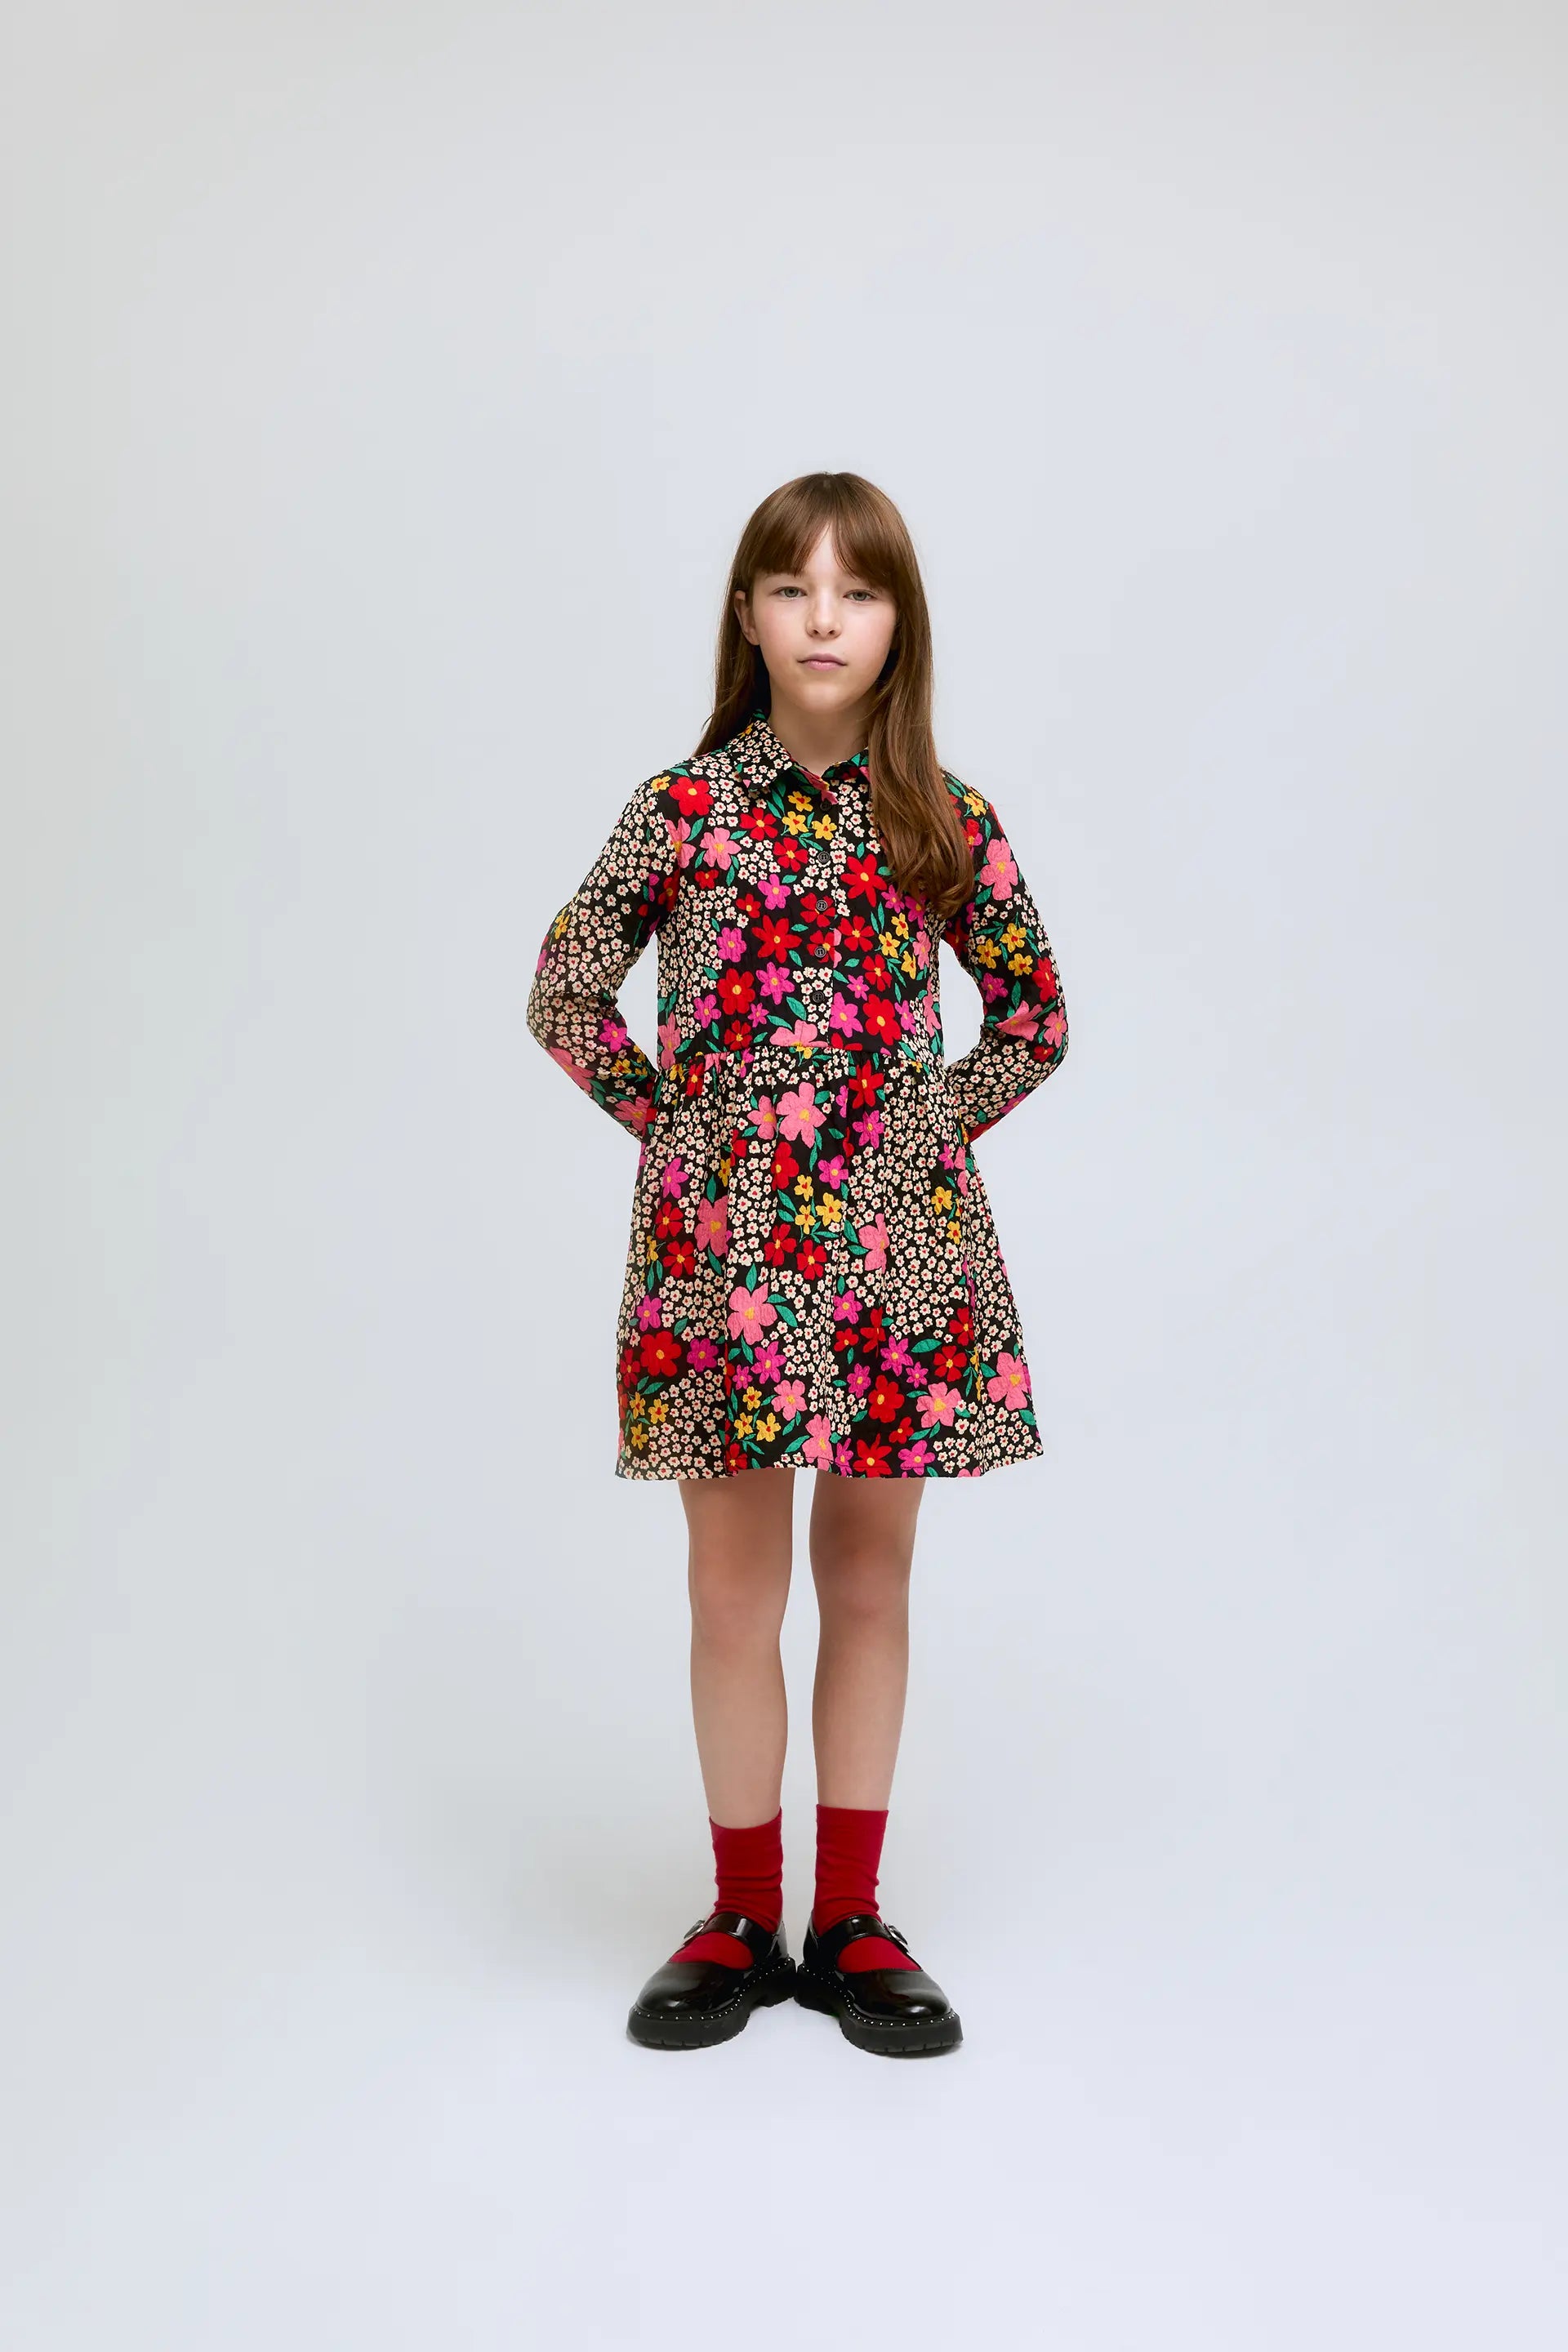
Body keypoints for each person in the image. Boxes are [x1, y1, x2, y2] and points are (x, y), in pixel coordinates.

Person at [527, 471, 1069, 2056]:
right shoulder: (682, 811)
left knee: (870, 1581)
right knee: (730, 1588)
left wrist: (918, 1136)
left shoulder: (944, 818)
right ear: (748, 615)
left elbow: (1034, 1016)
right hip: (723, 1264)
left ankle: (853, 1918)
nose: (825, 617)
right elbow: (566, 989)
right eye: (792, 587)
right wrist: (681, 1133)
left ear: (900, 622)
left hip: (902, 1262)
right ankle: (738, 1913)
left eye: (859, 589)